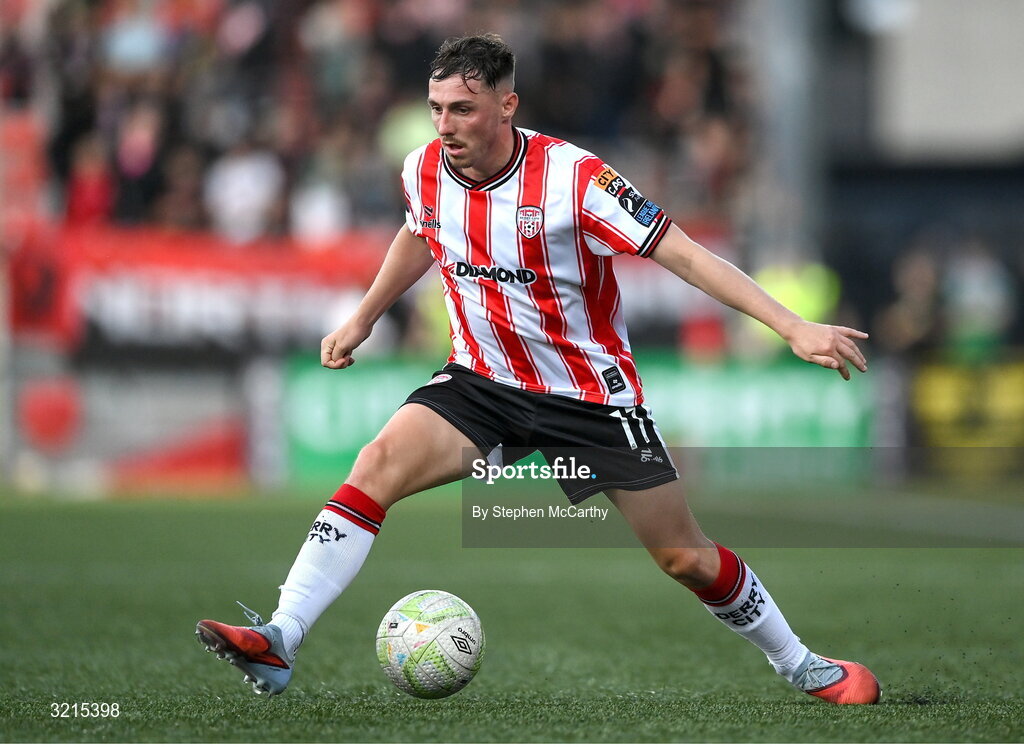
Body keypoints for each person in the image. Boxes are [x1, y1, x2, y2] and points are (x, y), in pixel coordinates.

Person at [196, 34, 878, 705]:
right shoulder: (422, 168)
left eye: (462, 109)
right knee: (374, 465)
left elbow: (687, 255)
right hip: (481, 383)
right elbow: (419, 230)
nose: (445, 125)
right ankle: (282, 635)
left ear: (506, 105)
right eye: (436, 108)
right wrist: (366, 315)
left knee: (685, 557)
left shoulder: (575, 179)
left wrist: (793, 325)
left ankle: (801, 663)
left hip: (586, 399)